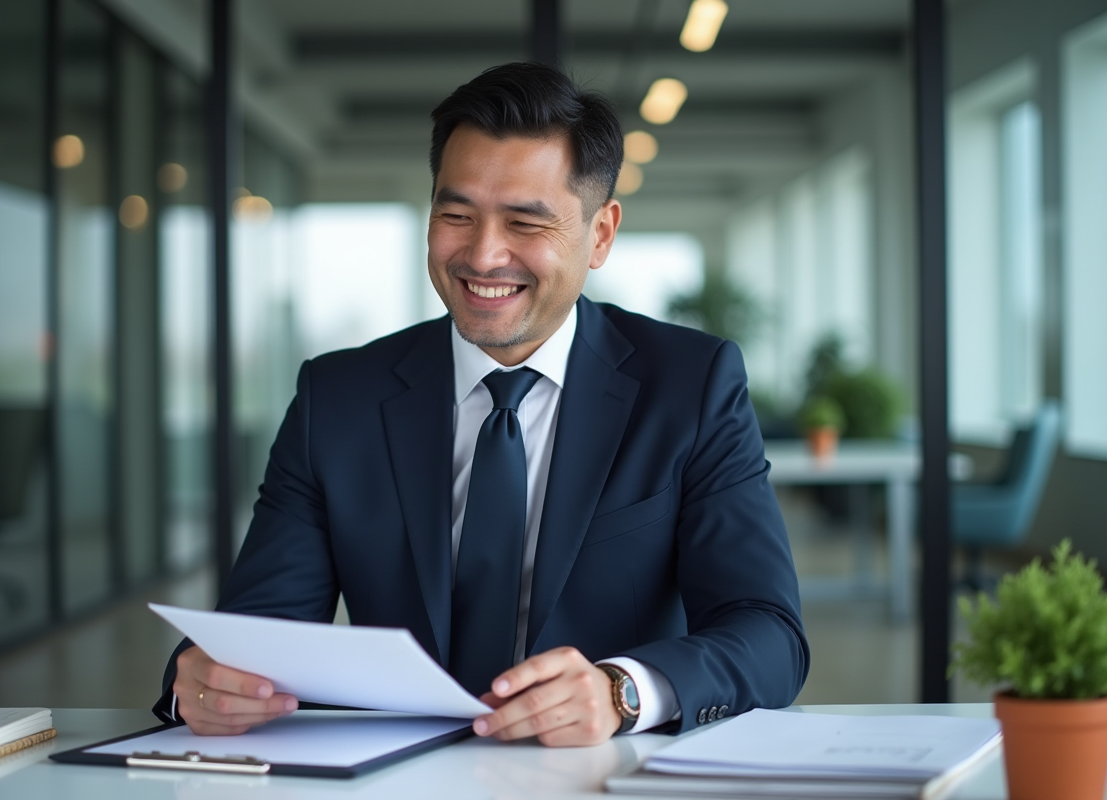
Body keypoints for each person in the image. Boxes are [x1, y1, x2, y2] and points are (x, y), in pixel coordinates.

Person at [154, 62, 809, 747]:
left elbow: (767, 633)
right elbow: (257, 635)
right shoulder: (338, 397)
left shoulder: (691, 385)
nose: (483, 254)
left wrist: (623, 690)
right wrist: (204, 685)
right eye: (455, 214)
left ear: (601, 234)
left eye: (526, 222)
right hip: (394, 780)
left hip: (602, 778)